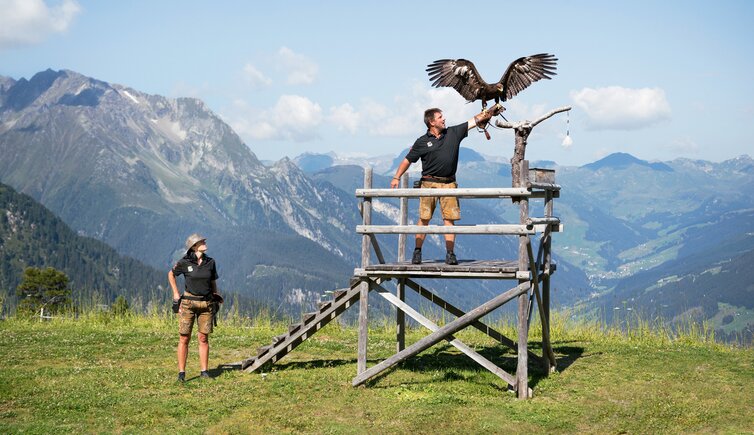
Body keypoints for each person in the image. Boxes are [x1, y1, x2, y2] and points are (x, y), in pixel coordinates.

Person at [390, 105, 501, 265]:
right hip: (428, 184)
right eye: (440, 117)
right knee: (424, 218)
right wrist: (396, 177)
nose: (444, 119)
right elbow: (408, 160)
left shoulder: (453, 133)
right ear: (431, 122)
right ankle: (417, 251)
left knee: (449, 219)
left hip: (449, 183)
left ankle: (450, 254)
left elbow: (474, 120)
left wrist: (489, 112)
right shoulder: (422, 142)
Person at [168, 233, 222, 382]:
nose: (205, 242)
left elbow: (212, 283)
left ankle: (204, 371)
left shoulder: (210, 262)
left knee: (203, 338)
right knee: (184, 337)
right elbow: (171, 274)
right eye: (202, 241)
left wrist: (216, 297)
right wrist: (176, 295)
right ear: (194, 246)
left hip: (206, 303)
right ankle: (181, 373)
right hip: (188, 304)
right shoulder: (184, 262)